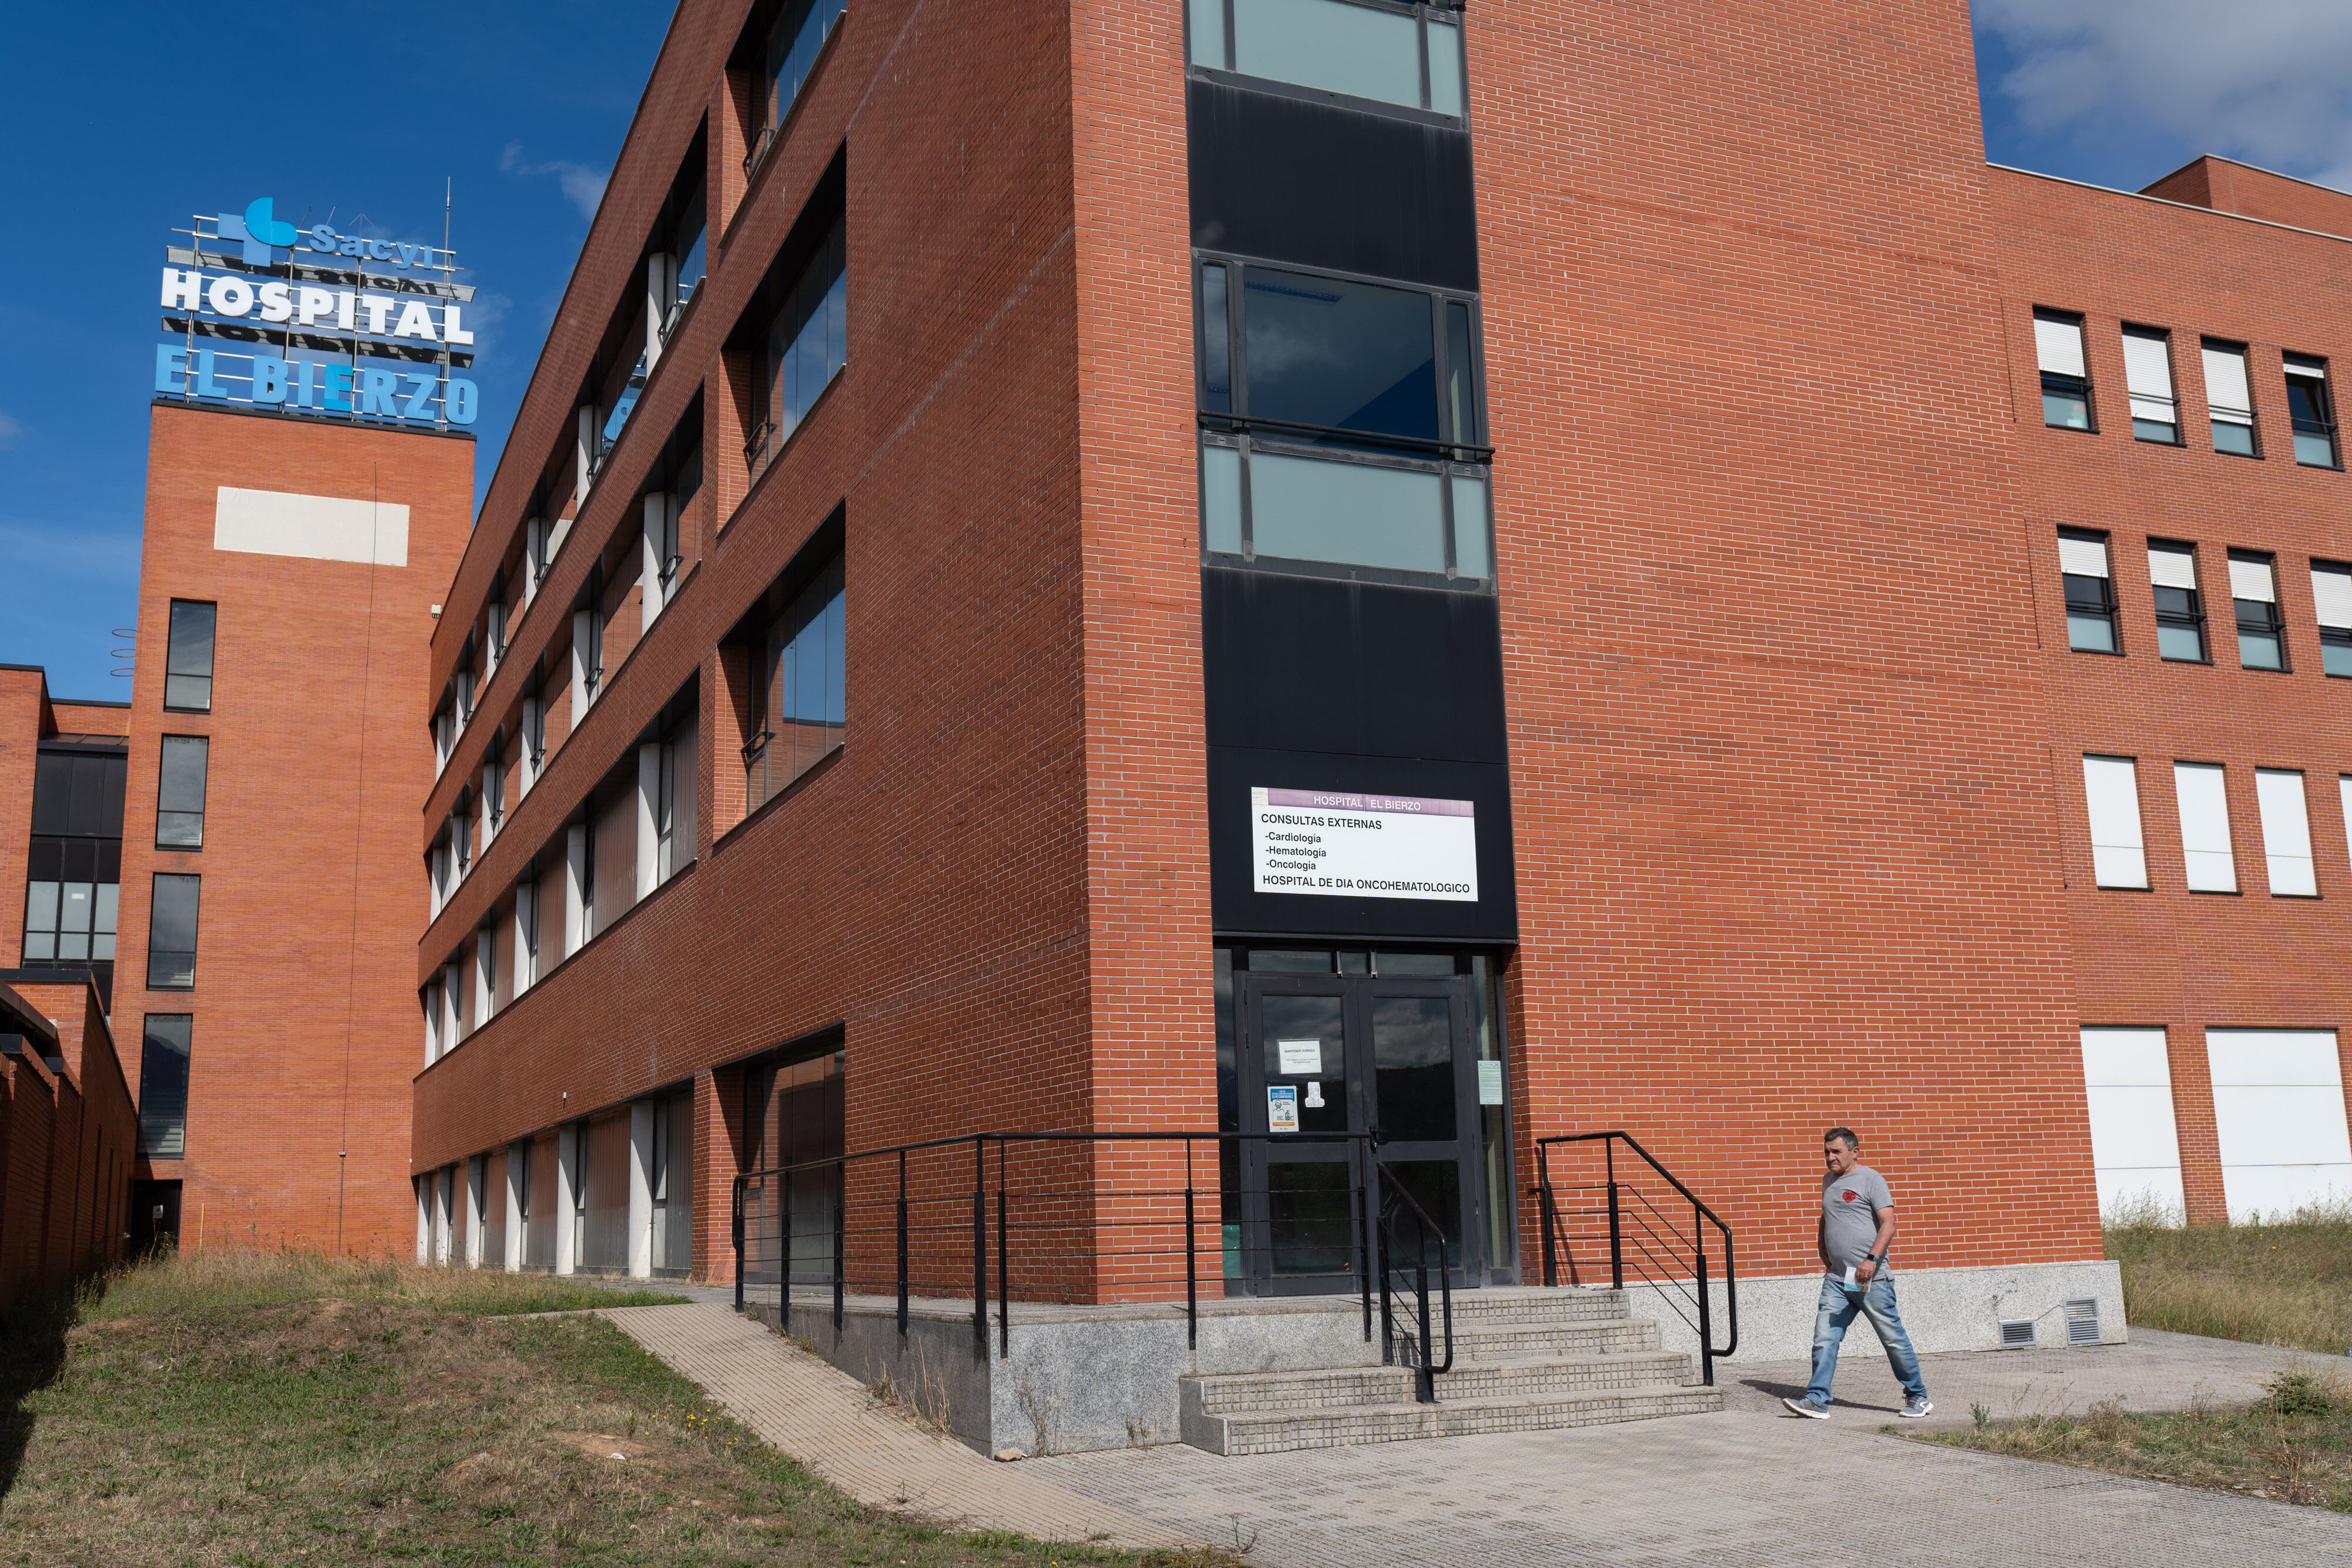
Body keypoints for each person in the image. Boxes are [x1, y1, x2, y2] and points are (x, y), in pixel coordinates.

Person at [1782, 1126, 1932, 1420]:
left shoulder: (1871, 1179)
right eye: (1826, 1152)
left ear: (1854, 1152)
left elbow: (1889, 1223)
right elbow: (1829, 1214)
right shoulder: (1828, 1180)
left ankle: (1918, 1397)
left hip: (1870, 1278)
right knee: (1825, 1338)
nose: (1830, 1158)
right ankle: (1817, 1400)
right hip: (1838, 1279)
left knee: (1892, 1339)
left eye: (1836, 1152)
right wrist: (1821, 1243)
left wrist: (1872, 1260)